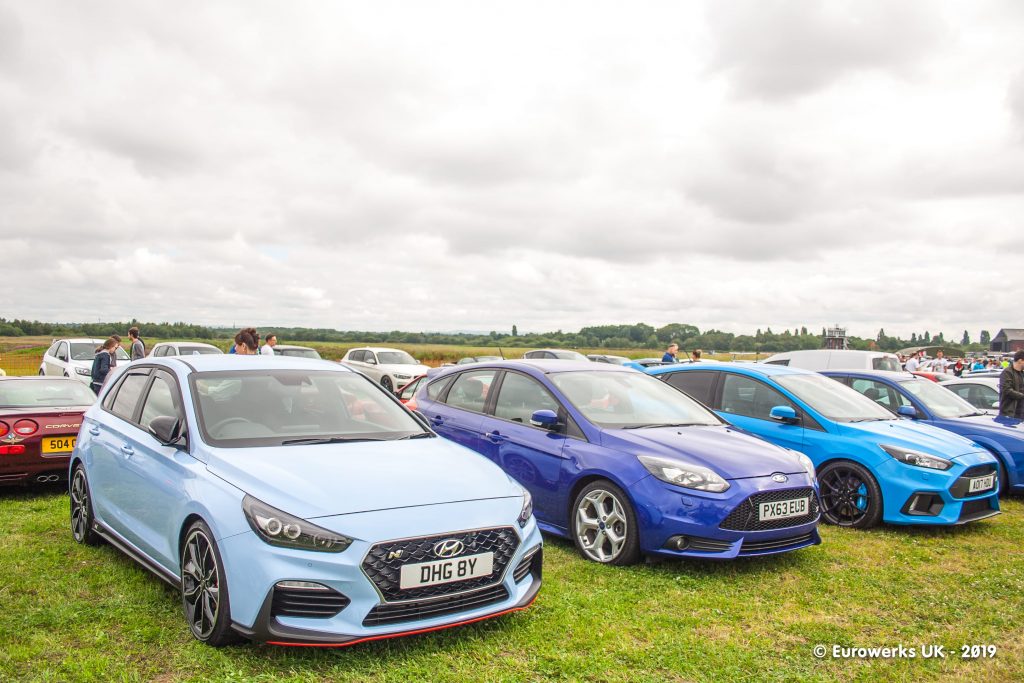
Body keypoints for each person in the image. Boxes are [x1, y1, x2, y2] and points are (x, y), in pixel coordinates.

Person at [998, 351, 1024, 419]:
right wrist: (1022, 396)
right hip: (1009, 413)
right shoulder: (1007, 372)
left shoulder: (1021, 374)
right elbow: (1007, 390)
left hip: (1020, 413)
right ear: (1020, 360)